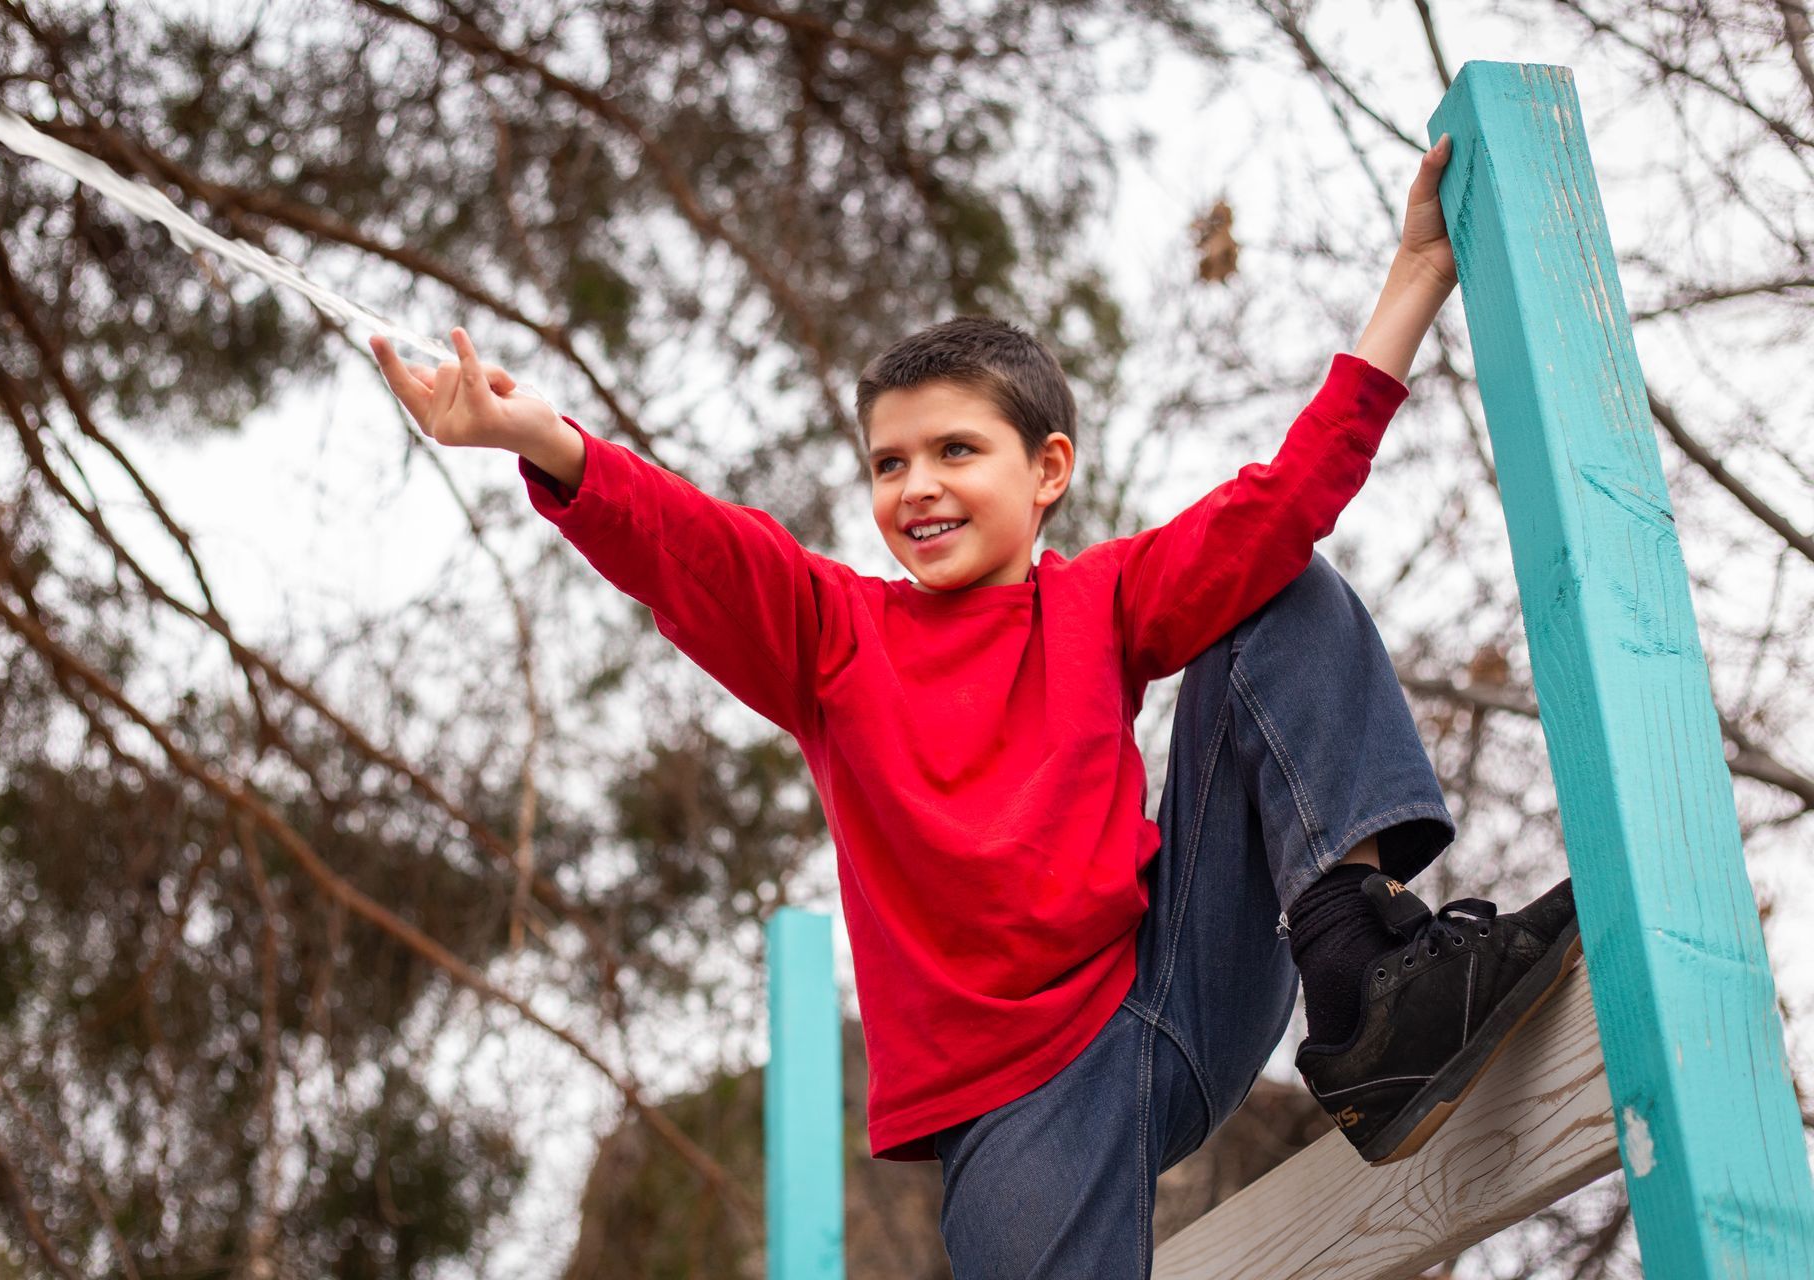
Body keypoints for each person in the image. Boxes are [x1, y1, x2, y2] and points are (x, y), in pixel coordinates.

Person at [371, 131, 1581, 1277]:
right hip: (1017, 1101)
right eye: (890, 463)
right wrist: (549, 441)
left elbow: (1280, 499)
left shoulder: (1100, 603)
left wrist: (1417, 272)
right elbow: (696, 543)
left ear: (1046, 470)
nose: (918, 487)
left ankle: (1367, 975)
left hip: (1173, 985)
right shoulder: (835, 635)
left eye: (956, 450)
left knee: (1277, 584)